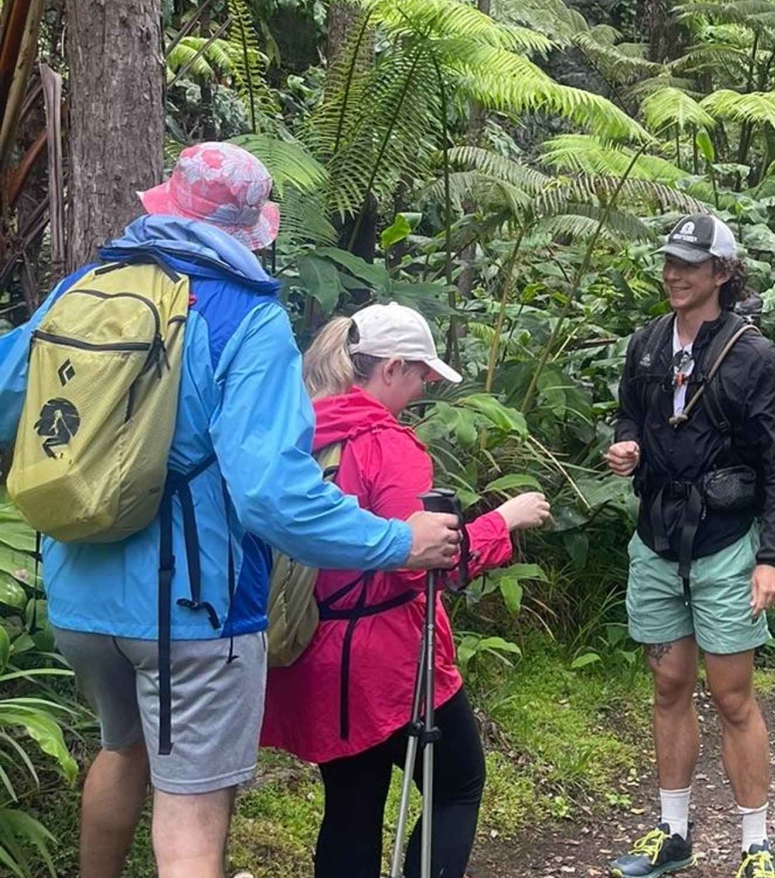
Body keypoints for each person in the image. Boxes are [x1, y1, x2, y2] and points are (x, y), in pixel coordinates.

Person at [0, 143, 462, 878]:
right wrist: (393, 539)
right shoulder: (247, 317)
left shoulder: (82, 288)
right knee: (189, 814)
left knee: (121, 750)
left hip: (80, 595)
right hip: (192, 610)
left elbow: (9, 407)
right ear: (252, 229)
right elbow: (272, 494)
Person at [261, 303, 551, 878]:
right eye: (419, 374)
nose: (423, 389)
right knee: (459, 784)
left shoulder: (297, 430)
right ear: (390, 369)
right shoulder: (385, 445)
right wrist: (505, 520)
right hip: (388, 657)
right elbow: (423, 562)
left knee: (350, 805)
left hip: (312, 647)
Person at [605, 214, 775, 878]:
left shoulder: (753, 356)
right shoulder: (648, 343)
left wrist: (773, 556)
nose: (674, 273)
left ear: (721, 271)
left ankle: (756, 846)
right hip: (657, 540)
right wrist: (628, 442)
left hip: (723, 545)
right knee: (668, 685)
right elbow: (630, 407)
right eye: (669, 261)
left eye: (690, 263)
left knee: (732, 694)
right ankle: (673, 833)